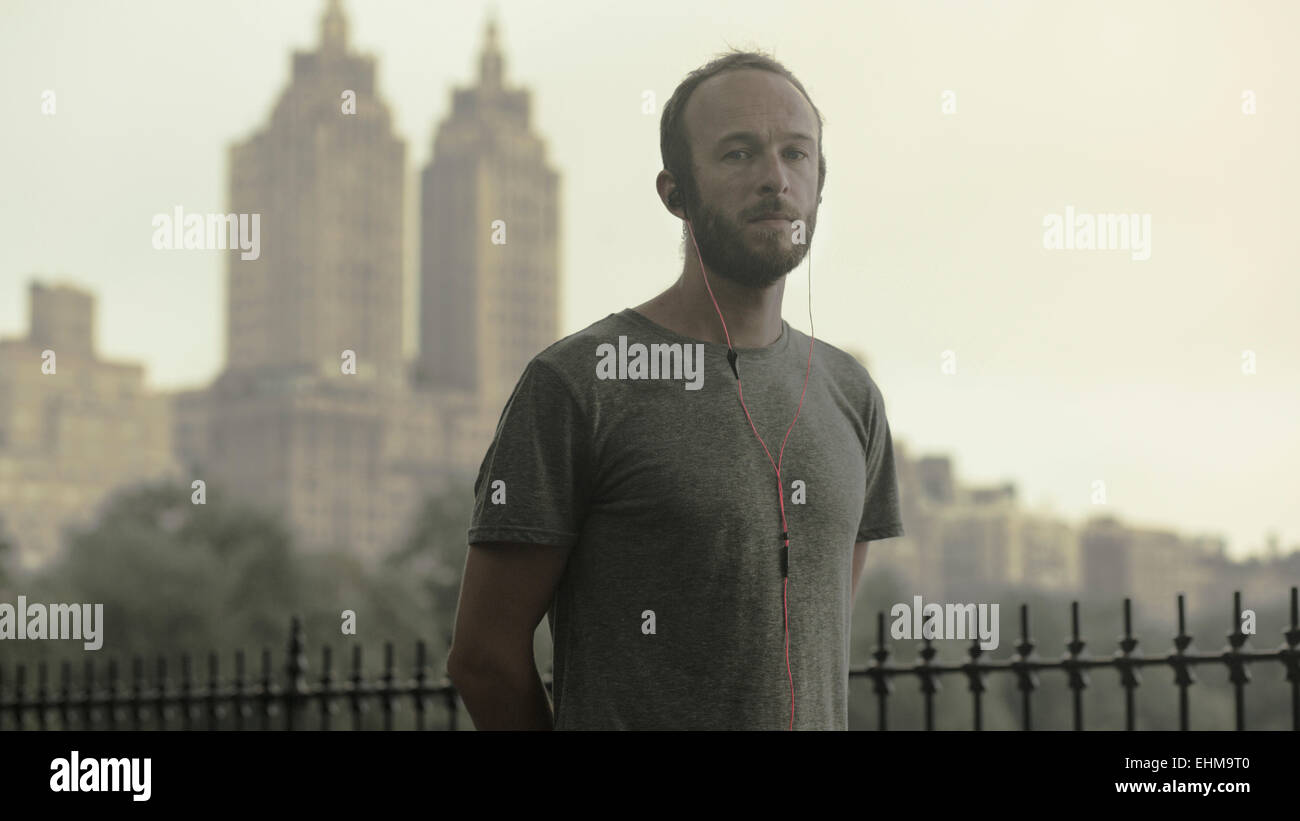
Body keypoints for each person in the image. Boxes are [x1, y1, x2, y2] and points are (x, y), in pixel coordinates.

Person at [446, 49, 904, 730]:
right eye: (738, 154)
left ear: (819, 183)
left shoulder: (850, 395)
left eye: (796, 154)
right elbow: (483, 657)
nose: (774, 179)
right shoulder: (578, 385)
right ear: (674, 192)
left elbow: (813, 634)